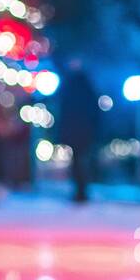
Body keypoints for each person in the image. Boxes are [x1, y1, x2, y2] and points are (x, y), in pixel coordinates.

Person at [57, 58, 100, 203]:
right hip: (83, 132)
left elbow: (65, 111)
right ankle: (81, 190)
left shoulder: (70, 86)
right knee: (80, 161)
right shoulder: (85, 86)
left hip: (77, 132)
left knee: (78, 162)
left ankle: (81, 190)